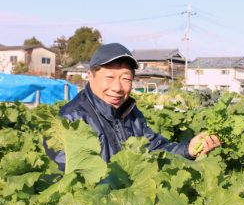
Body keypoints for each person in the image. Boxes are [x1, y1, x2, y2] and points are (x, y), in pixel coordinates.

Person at [46, 43, 220, 171]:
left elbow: (155, 150)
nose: (117, 87)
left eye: (125, 79)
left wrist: (187, 149)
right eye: (110, 77)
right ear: (90, 76)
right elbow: (66, 179)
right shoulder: (70, 119)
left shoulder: (131, 113)